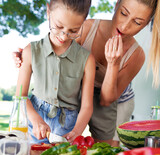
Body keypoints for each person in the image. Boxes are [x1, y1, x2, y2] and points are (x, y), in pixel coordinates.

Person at [14, 0, 160, 146]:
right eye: (123, 13)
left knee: (105, 148)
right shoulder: (85, 28)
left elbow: (106, 100)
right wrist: (28, 56)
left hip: (113, 100)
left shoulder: (137, 55)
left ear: (146, 24)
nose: (124, 26)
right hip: (78, 90)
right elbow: (58, 52)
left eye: (138, 22)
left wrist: (113, 64)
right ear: (116, 6)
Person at [15, 0, 95, 144]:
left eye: (74, 31)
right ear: (48, 12)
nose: (64, 37)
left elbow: (87, 106)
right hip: (34, 119)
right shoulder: (30, 51)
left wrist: (76, 131)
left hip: (68, 125)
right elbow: (20, 96)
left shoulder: (87, 59)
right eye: (59, 26)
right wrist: (36, 119)